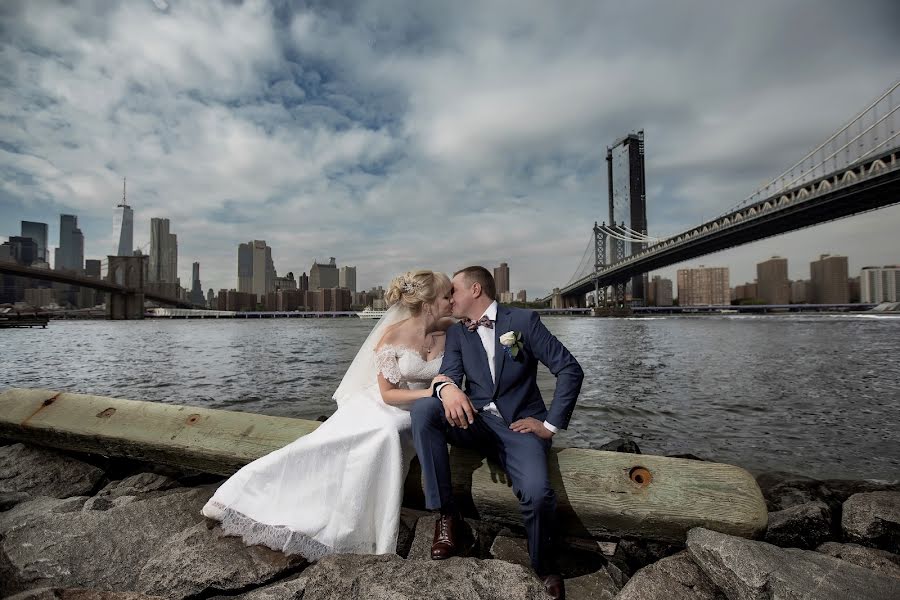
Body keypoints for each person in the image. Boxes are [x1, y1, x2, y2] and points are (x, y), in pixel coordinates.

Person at [201, 270, 454, 559]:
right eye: (447, 295)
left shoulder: (452, 329)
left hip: (419, 411)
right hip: (391, 402)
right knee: (376, 432)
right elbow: (388, 394)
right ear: (429, 302)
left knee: (387, 432)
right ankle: (250, 491)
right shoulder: (393, 335)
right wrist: (434, 392)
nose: (452, 300)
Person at [410, 266, 583, 600]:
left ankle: (544, 566)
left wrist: (548, 426)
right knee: (424, 411)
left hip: (521, 427)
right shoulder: (458, 333)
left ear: (475, 290)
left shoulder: (523, 322)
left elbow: (569, 369)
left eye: (454, 292)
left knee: (536, 493)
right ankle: (446, 515)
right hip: (474, 422)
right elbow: (448, 374)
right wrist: (449, 391)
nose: (450, 300)